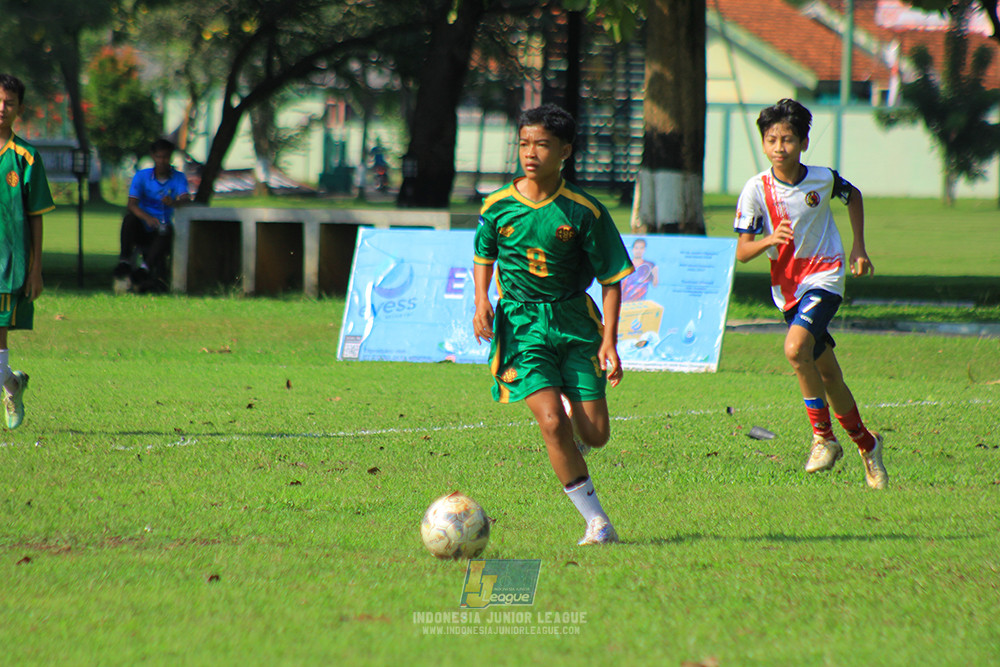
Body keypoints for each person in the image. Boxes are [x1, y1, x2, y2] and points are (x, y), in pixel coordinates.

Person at [472, 104, 635, 545]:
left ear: (564, 150)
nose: (530, 153)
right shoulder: (498, 205)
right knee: (549, 421)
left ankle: (573, 421)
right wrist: (481, 301)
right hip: (521, 324)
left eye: (542, 144)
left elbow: (613, 279)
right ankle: (597, 522)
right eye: (524, 143)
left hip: (574, 323)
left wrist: (609, 340)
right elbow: (483, 254)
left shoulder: (584, 211)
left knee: (595, 434)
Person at [733, 98, 887, 489]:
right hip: (788, 289)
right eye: (771, 139)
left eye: (788, 139)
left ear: (803, 142)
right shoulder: (755, 189)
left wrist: (858, 248)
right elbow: (743, 252)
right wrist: (769, 238)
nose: (779, 147)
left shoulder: (822, 178)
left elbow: (854, 197)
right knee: (829, 374)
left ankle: (823, 439)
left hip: (825, 277)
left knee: (794, 349)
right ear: (763, 143)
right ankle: (868, 446)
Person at [0, 74, 54, 430]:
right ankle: (13, 385)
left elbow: (36, 218)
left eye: (8, 103)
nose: (1, 108)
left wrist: (35, 269)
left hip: (7, 266)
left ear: (19, 109)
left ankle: (11, 385)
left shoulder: (26, 157)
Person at [113, 139, 191, 293]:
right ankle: (125, 261)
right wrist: (147, 218)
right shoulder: (142, 177)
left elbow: (185, 198)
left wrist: (173, 202)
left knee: (166, 231)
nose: (162, 161)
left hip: (161, 228)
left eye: (166, 157)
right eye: (159, 157)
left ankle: (144, 269)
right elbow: (132, 204)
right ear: (153, 157)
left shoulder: (178, 178)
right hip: (142, 225)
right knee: (129, 219)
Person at [621, 237, 659, 302]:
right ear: (632, 249)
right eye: (636, 248)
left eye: (641, 248)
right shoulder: (626, 265)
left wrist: (655, 274)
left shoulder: (649, 265)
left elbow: (654, 285)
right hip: (625, 301)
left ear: (644, 250)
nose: (638, 251)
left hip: (640, 302)